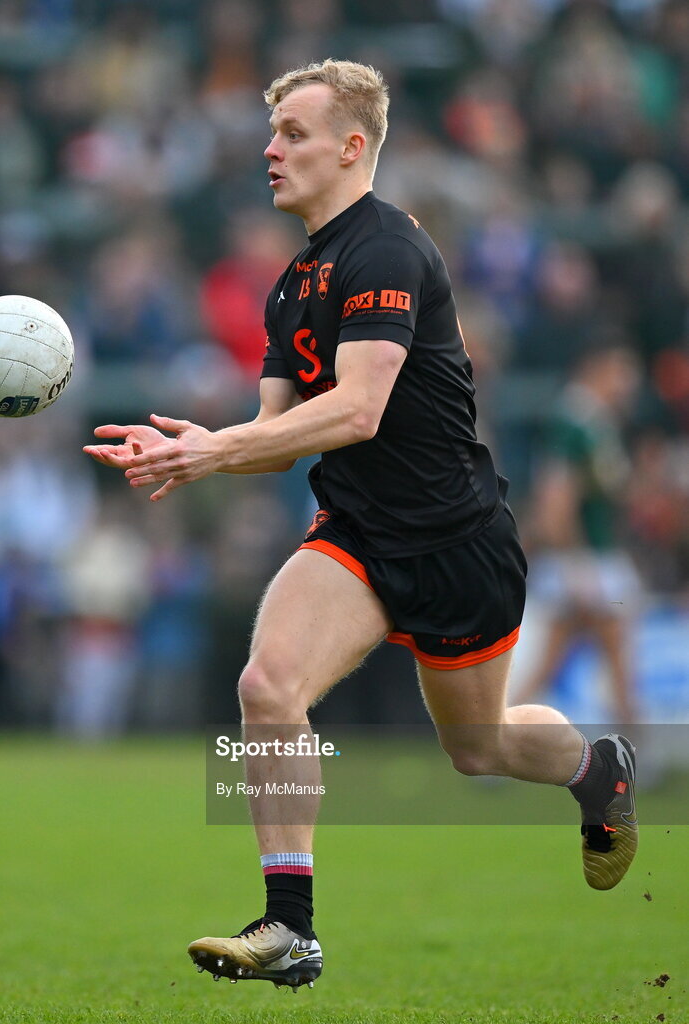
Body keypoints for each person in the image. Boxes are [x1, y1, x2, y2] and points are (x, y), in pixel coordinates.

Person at [83, 59, 638, 991]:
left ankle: (598, 768)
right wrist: (191, 447)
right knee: (268, 684)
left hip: (460, 543)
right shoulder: (291, 285)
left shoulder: (386, 249)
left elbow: (358, 410)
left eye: (293, 134)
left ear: (352, 148)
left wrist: (220, 449)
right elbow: (274, 440)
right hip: (359, 538)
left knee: (479, 749)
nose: (270, 150)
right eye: (270, 134)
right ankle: (289, 926)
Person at [514, 340, 642, 723]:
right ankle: (636, 744)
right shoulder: (575, 422)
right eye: (622, 371)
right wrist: (575, 563)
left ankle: (498, 736)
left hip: (591, 556)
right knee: (614, 654)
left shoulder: (594, 420)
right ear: (596, 368)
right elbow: (556, 499)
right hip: (589, 558)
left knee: (560, 657)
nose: (629, 383)